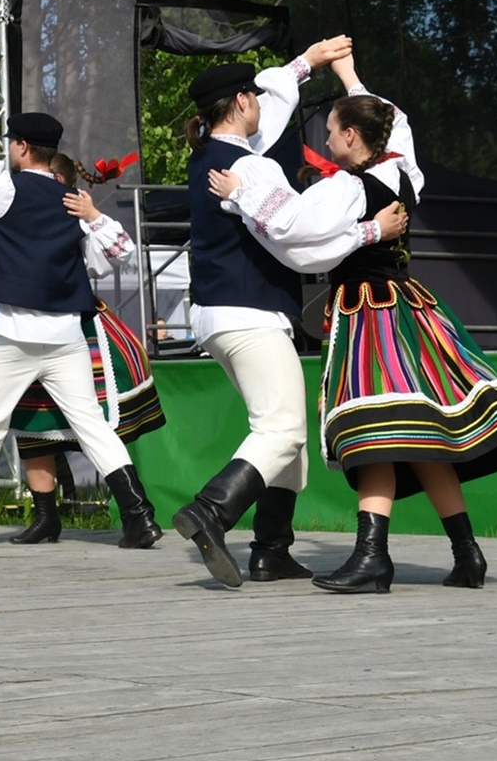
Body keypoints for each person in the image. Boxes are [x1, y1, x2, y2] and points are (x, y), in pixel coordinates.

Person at [209, 55, 497, 592]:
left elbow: (294, 229)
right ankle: (467, 553)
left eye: (332, 130)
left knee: (375, 434)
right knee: (423, 435)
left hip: (369, 313)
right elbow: (397, 123)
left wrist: (240, 193)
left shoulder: (346, 189)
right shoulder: (403, 170)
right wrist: (347, 73)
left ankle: (373, 558)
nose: (326, 140)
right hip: (414, 309)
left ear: (347, 134)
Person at [0, 102, 161, 551]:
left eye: (12, 146)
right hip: (64, 335)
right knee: (92, 427)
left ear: (21, 148)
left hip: (13, 332)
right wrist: (94, 215)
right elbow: (121, 252)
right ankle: (140, 517)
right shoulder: (72, 202)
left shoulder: (4, 190)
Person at [170, 40, 355, 588]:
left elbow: (265, 119)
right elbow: (297, 227)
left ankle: (272, 550)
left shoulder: (208, 153)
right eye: (253, 96)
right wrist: (364, 222)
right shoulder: (248, 166)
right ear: (241, 101)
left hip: (218, 312)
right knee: (283, 427)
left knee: (282, 436)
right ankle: (212, 510)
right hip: (249, 311)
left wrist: (308, 62)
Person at [3, 152, 166, 545]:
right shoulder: (16, 214)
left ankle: (136, 513)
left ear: (61, 185)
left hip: (79, 330)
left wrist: (92, 215)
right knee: (31, 424)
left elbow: (119, 253)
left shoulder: (78, 220)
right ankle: (47, 517)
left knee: (98, 426)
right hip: (28, 328)